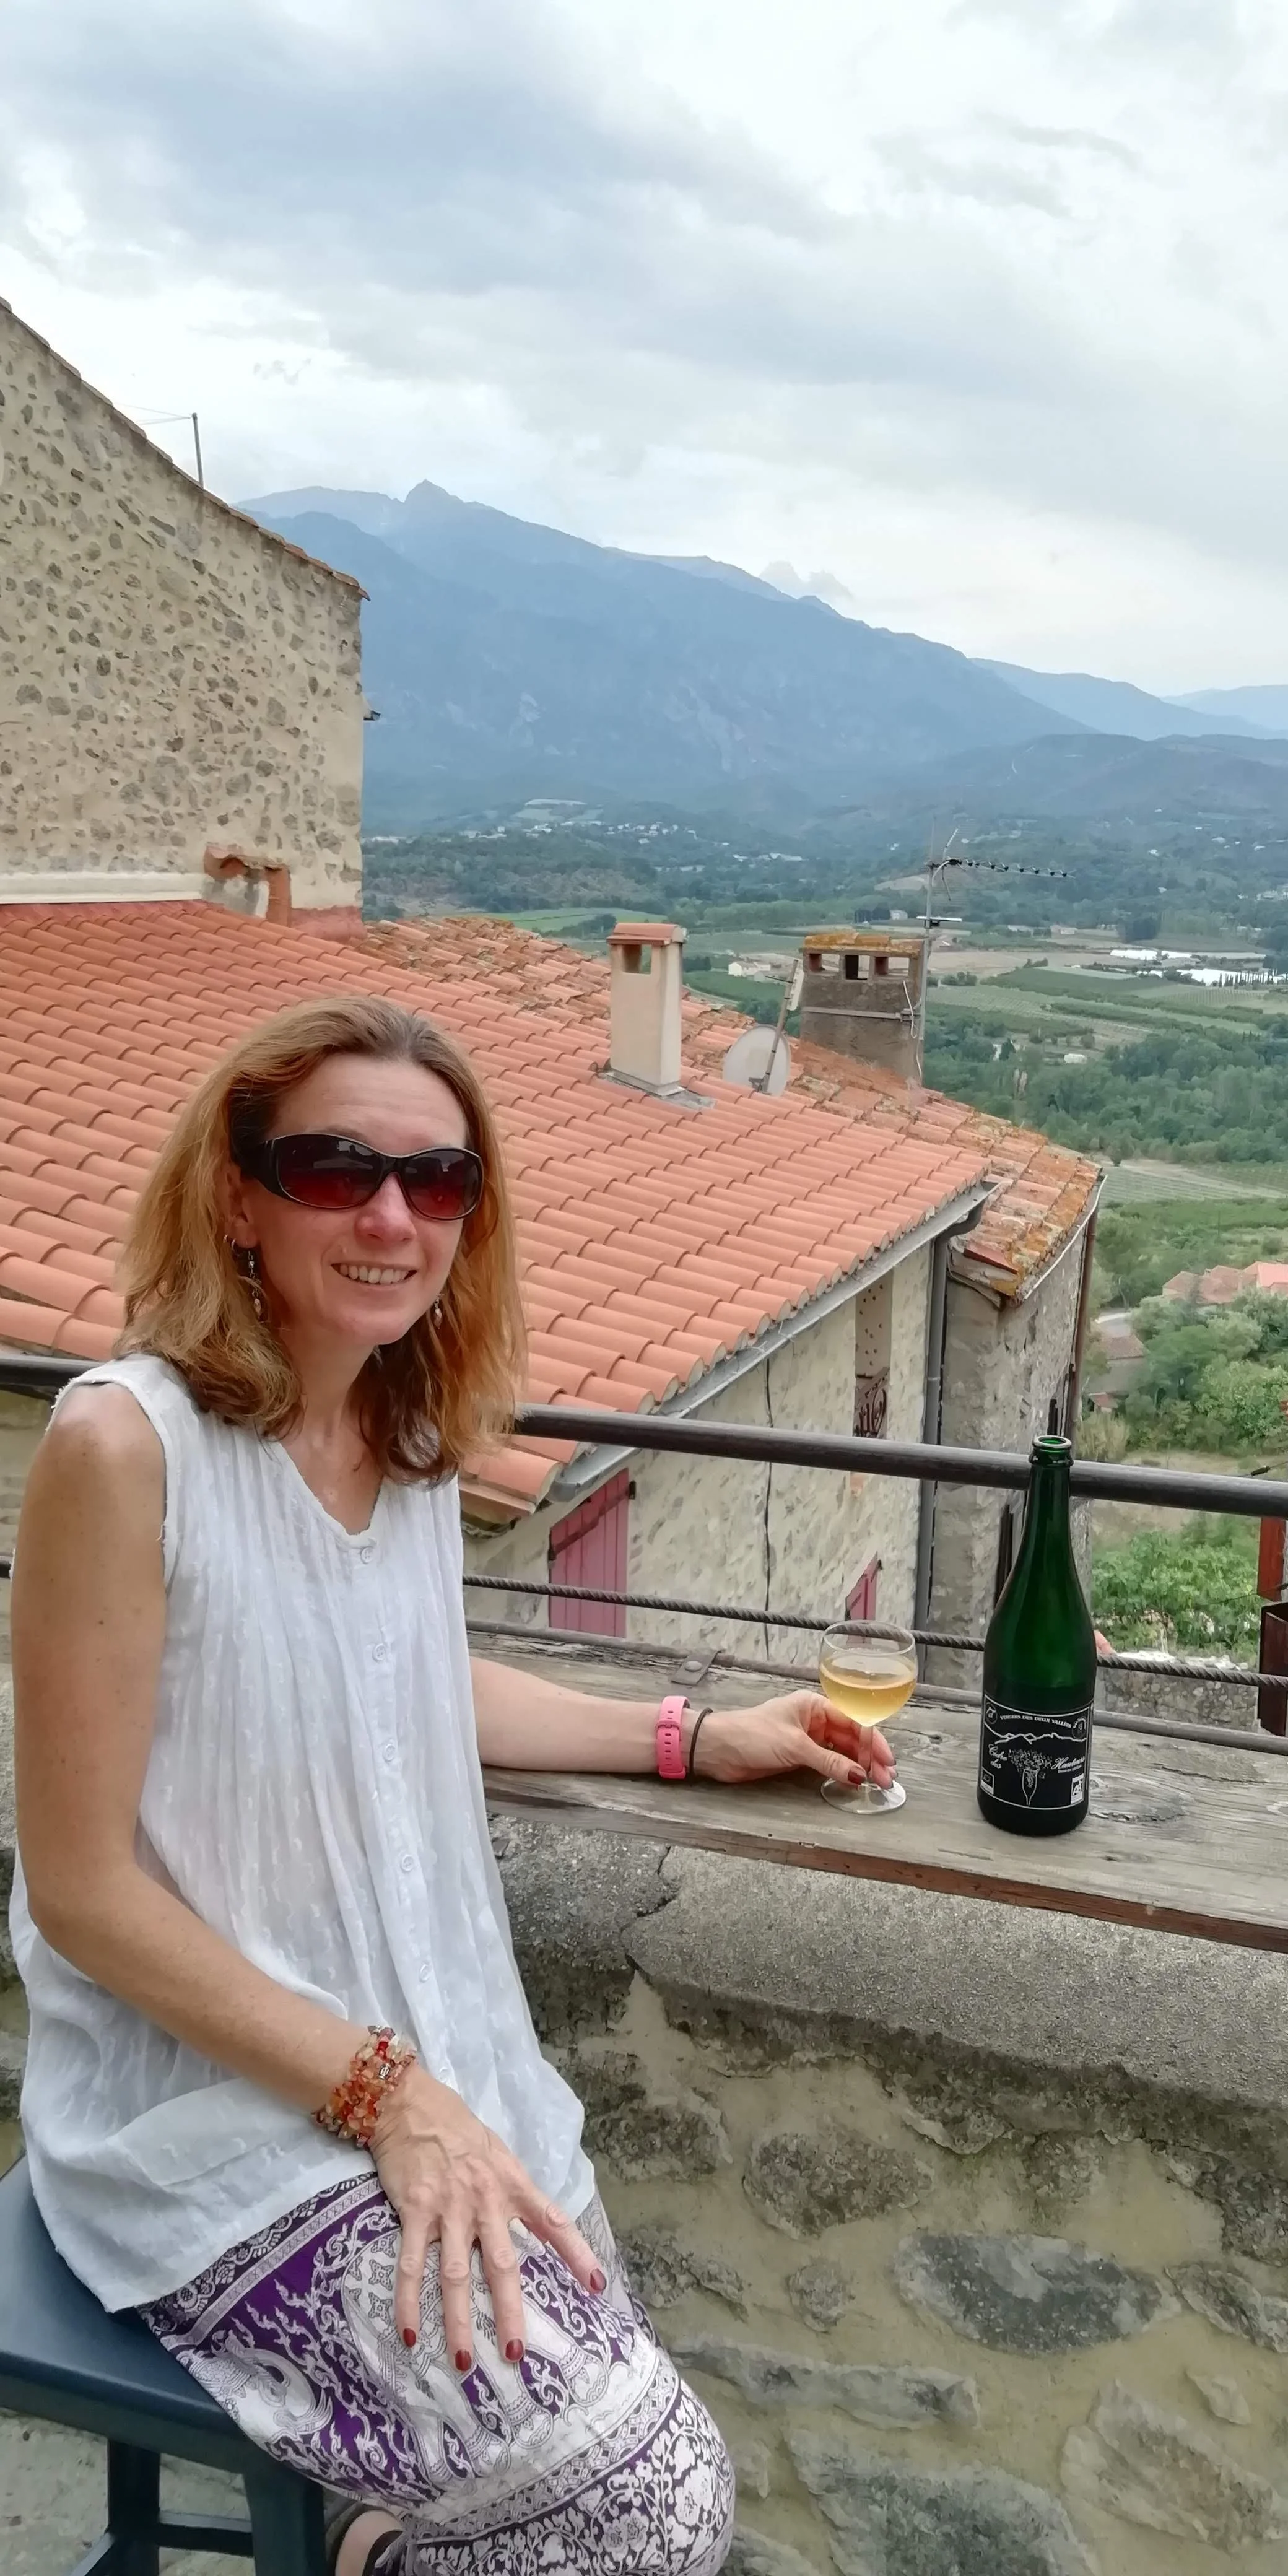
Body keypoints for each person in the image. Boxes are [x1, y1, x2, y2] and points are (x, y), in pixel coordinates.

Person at [10, 996, 897, 2576]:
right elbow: (79, 1888)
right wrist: (389, 2096)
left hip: (430, 2059)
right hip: (220, 2121)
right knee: (652, 2508)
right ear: (236, 1193)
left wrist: (690, 1733)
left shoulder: (400, 1433)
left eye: (437, 1180)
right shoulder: (120, 1447)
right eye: (335, 1166)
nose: (389, 1215)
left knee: (619, 2485)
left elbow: (404, 1687)